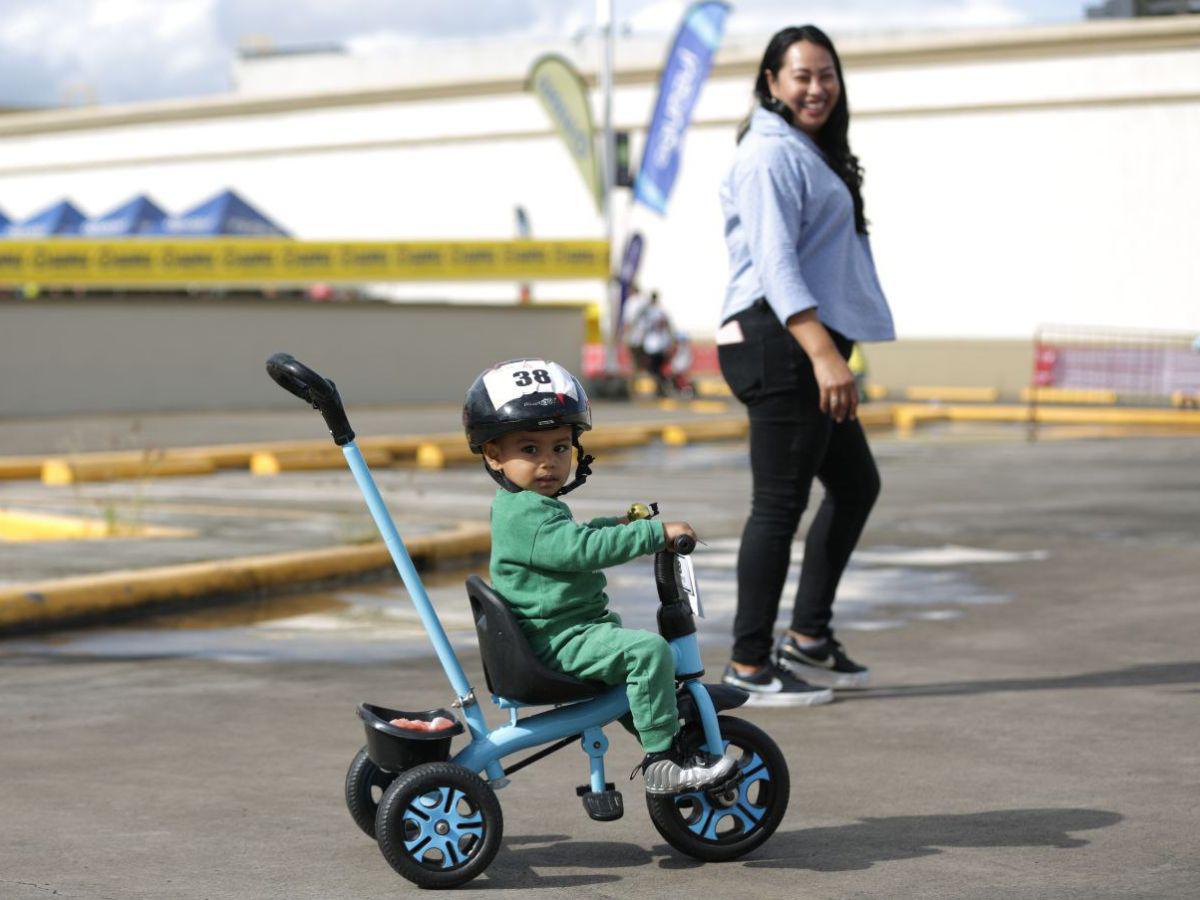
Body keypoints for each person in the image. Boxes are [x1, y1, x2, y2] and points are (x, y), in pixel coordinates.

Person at [717, 25, 895, 705]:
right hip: (782, 340)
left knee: (855, 484)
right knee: (778, 506)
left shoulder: (805, 151)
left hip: (801, 340)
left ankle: (810, 637)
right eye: (801, 75)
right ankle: (750, 665)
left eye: (827, 75)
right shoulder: (767, 155)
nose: (817, 88)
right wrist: (825, 354)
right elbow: (776, 262)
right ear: (771, 82)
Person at [462, 357, 735, 793]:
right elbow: (577, 550)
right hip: (558, 641)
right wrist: (651, 534)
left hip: (565, 632)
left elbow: (574, 537)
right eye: (529, 449)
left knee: (635, 662)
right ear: (494, 455)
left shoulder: (529, 505)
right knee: (648, 653)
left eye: (560, 447)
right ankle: (663, 763)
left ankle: (664, 740)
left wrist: (619, 526)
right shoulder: (524, 512)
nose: (549, 462)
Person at [623, 289, 675, 396]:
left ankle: (659, 387)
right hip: (653, 344)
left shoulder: (648, 311)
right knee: (652, 368)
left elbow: (635, 324)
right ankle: (659, 387)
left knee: (648, 368)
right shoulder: (658, 311)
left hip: (649, 344)